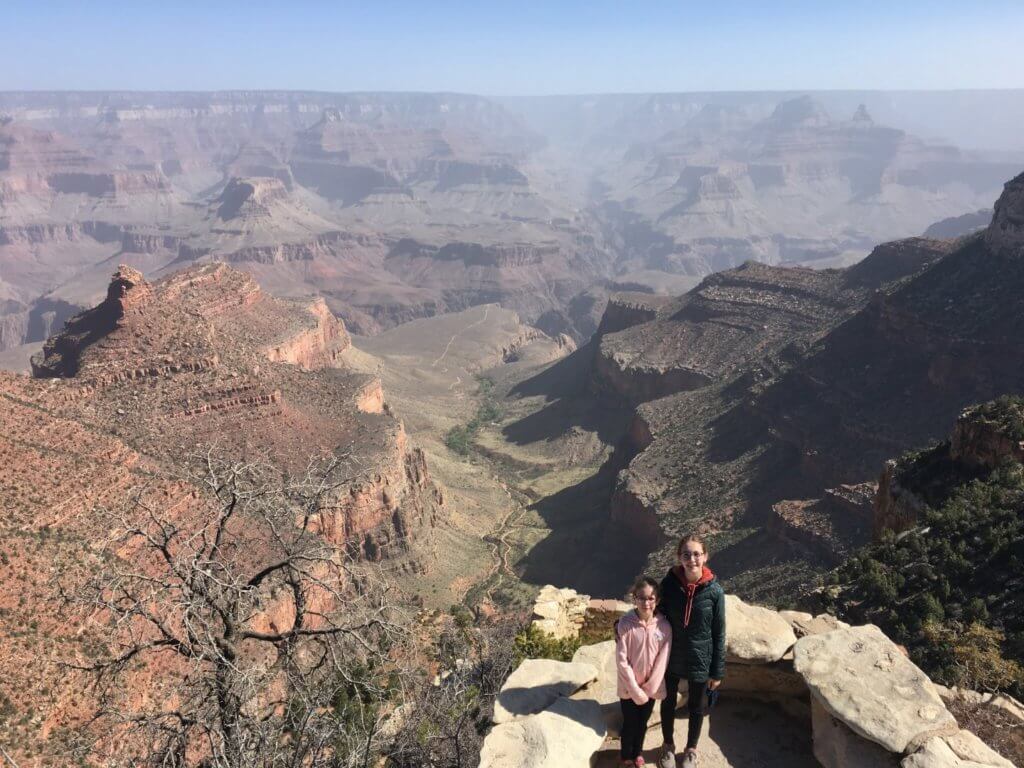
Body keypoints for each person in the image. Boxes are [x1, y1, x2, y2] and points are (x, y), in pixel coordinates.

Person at [657, 535, 726, 768]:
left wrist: (717, 671)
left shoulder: (715, 591)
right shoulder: (669, 585)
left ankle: (691, 750)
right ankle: (667, 746)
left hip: (700, 657)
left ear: (705, 556)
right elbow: (655, 616)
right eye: (686, 554)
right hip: (670, 655)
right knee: (667, 703)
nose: (692, 559)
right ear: (679, 557)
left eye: (697, 554)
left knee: (697, 706)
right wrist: (625, 624)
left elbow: (719, 632)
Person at [615, 576, 672, 767]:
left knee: (642, 723)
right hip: (628, 688)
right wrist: (635, 690)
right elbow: (622, 661)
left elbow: (662, 659)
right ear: (634, 598)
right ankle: (625, 757)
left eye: (651, 598)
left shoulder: (664, 627)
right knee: (630, 723)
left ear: (657, 600)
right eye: (642, 598)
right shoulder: (625, 624)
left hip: (651, 688)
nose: (646, 602)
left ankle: (638, 752)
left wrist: (649, 688)